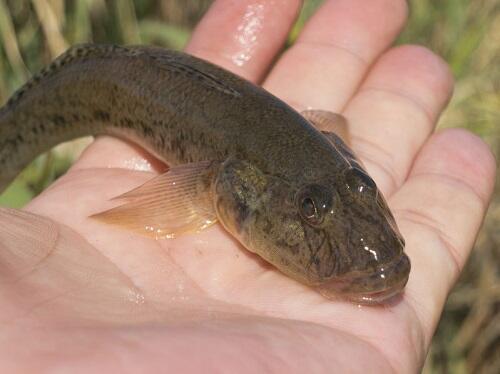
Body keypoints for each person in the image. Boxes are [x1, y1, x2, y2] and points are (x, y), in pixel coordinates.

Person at [0, 0, 495, 372]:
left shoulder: (325, 162)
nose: (375, 259)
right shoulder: (227, 179)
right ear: (229, 188)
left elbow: (329, 134)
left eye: (361, 188)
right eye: (309, 210)